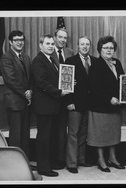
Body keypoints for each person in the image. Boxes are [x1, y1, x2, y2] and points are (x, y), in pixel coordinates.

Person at [31, 34, 69, 177]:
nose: (51, 46)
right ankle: (43, 168)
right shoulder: (38, 61)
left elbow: (54, 80)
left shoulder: (51, 59)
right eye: (47, 43)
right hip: (44, 107)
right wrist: (60, 92)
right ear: (40, 45)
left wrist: (68, 85)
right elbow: (41, 83)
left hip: (52, 106)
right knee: (44, 138)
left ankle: (50, 163)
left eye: (52, 44)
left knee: (51, 137)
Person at [88, 36, 125, 173]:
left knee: (113, 134)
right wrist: (109, 98)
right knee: (100, 135)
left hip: (115, 106)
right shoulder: (96, 64)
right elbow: (94, 87)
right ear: (100, 50)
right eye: (105, 48)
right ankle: (101, 160)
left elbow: (121, 82)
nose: (109, 50)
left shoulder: (117, 62)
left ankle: (113, 158)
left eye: (111, 48)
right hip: (100, 106)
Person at [65, 36, 95, 173]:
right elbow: (66, 84)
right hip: (75, 104)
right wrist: (69, 102)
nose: (85, 46)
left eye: (87, 44)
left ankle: (81, 159)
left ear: (90, 46)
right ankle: (71, 163)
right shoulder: (70, 61)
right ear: (77, 46)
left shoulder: (94, 61)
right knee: (73, 134)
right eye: (82, 44)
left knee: (83, 134)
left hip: (89, 104)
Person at [0, 30, 32, 159]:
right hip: (14, 101)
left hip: (25, 101)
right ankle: (15, 163)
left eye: (21, 40)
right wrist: (25, 93)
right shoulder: (6, 57)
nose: (20, 42)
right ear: (10, 42)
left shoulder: (26, 57)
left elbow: (30, 78)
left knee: (25, 135)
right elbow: (10, 79)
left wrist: (30, 90)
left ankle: (25, 162)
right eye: (17, 40)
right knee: (16, 136)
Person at [49, 28, 75, 169]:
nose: (63, 40)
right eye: (60, 37)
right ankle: (52, 159)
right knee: (52, 129)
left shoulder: (70, 52)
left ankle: (61, 158)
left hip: (68, 97)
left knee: (62, 130)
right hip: (53, 97)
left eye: (65, 38)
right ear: (55, 37)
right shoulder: (48, 51)